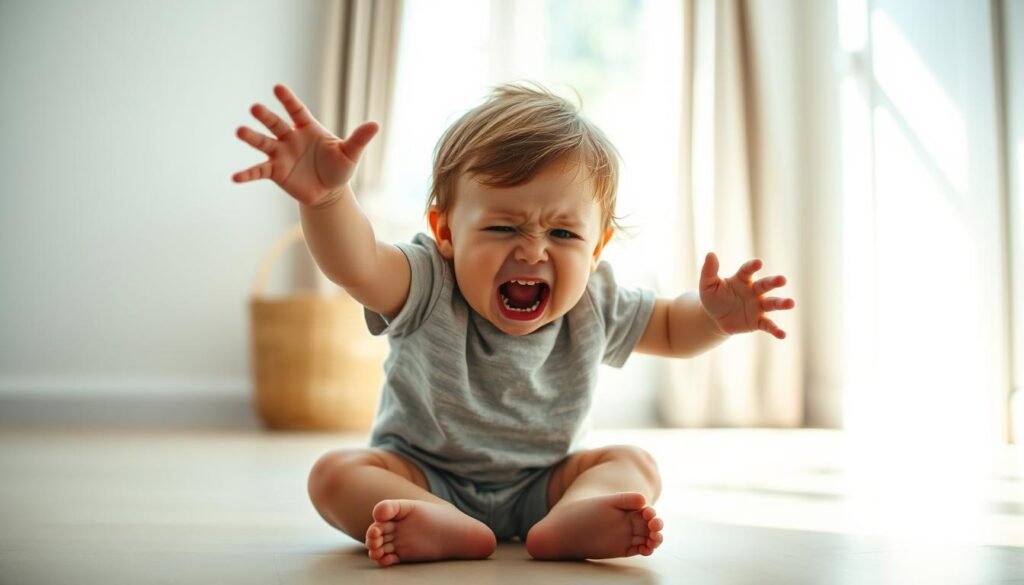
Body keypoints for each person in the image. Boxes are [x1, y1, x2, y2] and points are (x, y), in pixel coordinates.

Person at [232, 83, 795, 567]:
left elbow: (672, 330)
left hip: (544, 484)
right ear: (446, 229)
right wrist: (328, 198)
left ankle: (572, 520)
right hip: (421, 476)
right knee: (334, 475)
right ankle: (437, 522)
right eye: (504, 228)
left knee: (635, 464)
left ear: (597, 246)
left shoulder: (594, 300)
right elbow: (356, 264)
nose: (532, 251)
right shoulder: (428, 280)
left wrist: (715, 320)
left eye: (564, 234)